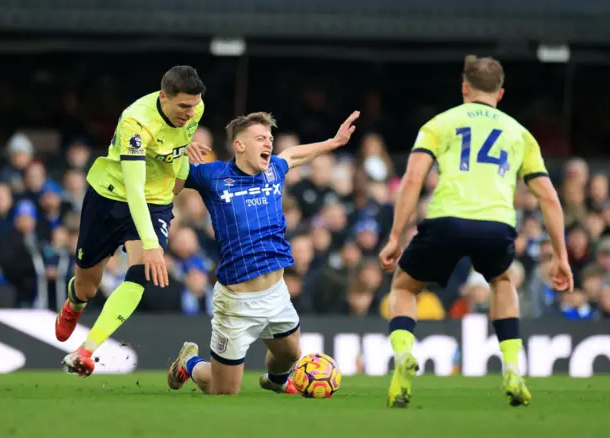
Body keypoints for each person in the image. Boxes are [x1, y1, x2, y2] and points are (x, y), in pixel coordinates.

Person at [378, 55, 573, 408]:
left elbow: (412, 180)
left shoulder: (439, 124)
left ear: (464, 88)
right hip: (497, 224)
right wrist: (561, 256)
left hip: (446, 220)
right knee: (501, 282)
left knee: (405, 286)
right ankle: (512, 367)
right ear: (500, 93)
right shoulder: (520, 134)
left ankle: (404, 355)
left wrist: (395, 235)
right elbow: (548, 196)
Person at [166, 110, 359, 395]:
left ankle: (276, 381)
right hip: (237, 302)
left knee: (291, 354)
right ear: (239, 145)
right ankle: (189, 363)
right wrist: (178, 153)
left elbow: (292, 155)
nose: (268, 143)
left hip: (276, 293)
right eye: (260, 138)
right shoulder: (214, 175)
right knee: (224, 389)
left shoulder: (273, 171)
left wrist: (333, 142)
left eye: (270, 138)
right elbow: (170, 183)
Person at [55, 66, 211, 376]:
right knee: (89, 285)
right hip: (111, 197)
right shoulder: (135, 122)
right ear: (163, 96)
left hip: (155, 202)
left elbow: (178, 144)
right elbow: (134, 189)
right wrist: (152, 244)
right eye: (183, 106)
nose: (190, 112)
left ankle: (86, 350)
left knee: (140, 275)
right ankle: (75, 300)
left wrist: (179, 173)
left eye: (194, 105)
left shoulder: (195, 108)